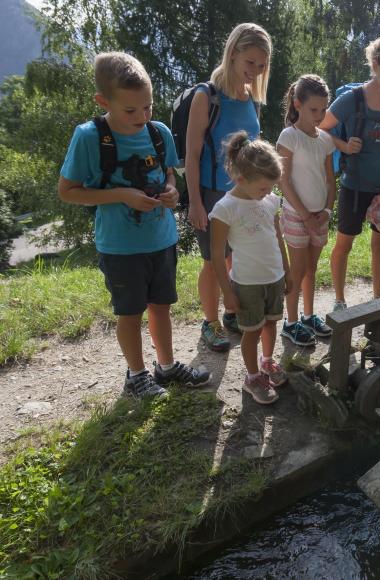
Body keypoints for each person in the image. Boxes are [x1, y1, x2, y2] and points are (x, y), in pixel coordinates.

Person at [58, 52, 210, 398]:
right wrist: (121, 195)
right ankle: (137, 374)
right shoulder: (88, 137)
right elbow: (68, 192)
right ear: (103, 101)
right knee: (129, 312)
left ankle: (167, 366)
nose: (142, 117)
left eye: (148, 107)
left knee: (161, 306)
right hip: (120, 246)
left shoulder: (158, 133)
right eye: (130, 111)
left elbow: (169, 173)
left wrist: (172, 191)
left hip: (162, 238)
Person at [185, 22, 272, 352]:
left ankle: (230, 312)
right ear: (232, 53)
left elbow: (255, 148)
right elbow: (191, 156)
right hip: (211, 194)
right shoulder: (206, 96)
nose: (255, 71)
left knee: (235, 257)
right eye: (250, 62)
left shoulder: (252, 98)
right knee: (213, 261)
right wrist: (194, 202)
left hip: (244, 194)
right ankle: (210, 323)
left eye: (261, 65)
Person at [320, 33, 380, 311]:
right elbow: (318, 128)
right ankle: (339, 301)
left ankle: (378, 301)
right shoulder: (351, 100)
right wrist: (344, 146)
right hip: (355, 187)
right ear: (375, 65)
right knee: (344, 244)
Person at [209, 132, 290, 405]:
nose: (268, 194)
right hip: (247, 283)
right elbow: (217, 256)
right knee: (251, 331)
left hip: (274, 278)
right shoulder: (226, 209)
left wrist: (287, 271)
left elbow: (278, 238)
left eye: (270, 189)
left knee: (270, 324)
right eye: (263, 189)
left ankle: (267, 362)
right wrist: (226, 292)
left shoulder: (269, 201)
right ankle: (252, 376)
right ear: (241, 179)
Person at [276, 75, 336, 347]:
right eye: (314, 110)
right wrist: (305, 215)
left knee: (312, 269)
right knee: (297, 272)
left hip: (319, 216)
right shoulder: (289, 137)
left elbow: (330, 181)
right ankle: (290, 323)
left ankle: (309, 316)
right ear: (297, 104)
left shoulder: (325, 140)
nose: (320, 115)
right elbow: (283, 181)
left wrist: (326, 211)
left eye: (324, 109)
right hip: (296, 216)